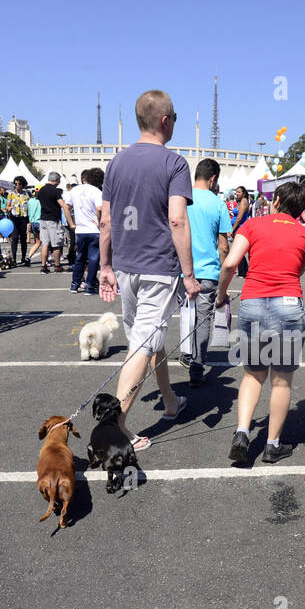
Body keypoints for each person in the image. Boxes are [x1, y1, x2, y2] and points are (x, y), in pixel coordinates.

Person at [98, 90, 199, 451]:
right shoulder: (174, 163)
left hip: (125, 266)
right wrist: (189, 275)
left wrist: (105, 265)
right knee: (144, 343)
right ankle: (116, 428)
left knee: (145, 338)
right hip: (159, 266)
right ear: (165, 121)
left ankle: (170, 400)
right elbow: (177, 220)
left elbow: (106, 220)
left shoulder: (116, 163)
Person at [216, 180, 305, 463]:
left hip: (254, 303)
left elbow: (230, 263)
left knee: (253, 374)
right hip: (287, 305)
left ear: (277, 201)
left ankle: (243, 431)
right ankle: (272, 445)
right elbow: (299, 270)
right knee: (281, 381)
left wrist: (222, 295)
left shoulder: (254, 225)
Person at [186, 158, 234, 387]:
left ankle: (185, 353)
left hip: (181, 270)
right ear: (213, 178)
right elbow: (223, 245)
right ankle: (197, 364)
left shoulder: (179, 199)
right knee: (202, 320)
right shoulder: (218, 204)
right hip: (208, 271)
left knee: (185, 314)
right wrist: (225, 275)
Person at [67, 168, 103, 293]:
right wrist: (99, 222)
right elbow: (99, 209)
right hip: (93, 230)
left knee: (80, 257)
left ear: (84, 179)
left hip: (80, 229)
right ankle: (90, 284)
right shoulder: (96, 191)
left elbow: (66, 207)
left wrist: (71, 223)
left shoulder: (75, 190)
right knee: (93, 258)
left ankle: (75, 284)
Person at [36, 172, 70, 274]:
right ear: (56, 180)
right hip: (53, 220)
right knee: (56, 244)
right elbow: (62, 204)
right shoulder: (55, 191)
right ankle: (57, 265)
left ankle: (43, 266)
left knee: (45, 243)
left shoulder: (41, 190)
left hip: (43, 219)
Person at [3, 176, 30, 267]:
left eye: (19, 183)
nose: (17, 185)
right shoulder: (11, 194)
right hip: (14, 218)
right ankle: (13, 259)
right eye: (15, 184)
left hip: (24, 218)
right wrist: (8, 208)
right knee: (14, 238)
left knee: (23, 238)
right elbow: (7, 206)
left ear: (23, 184)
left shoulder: (27, 194)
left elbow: (30, 205)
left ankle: (23, 257)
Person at [25, 188, 43, 266]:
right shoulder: (42, 201)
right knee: (45, 243)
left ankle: (28, 257)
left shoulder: (30, 201)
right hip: (40, 223)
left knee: (38, 242)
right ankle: (45, 261)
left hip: (33, 223)